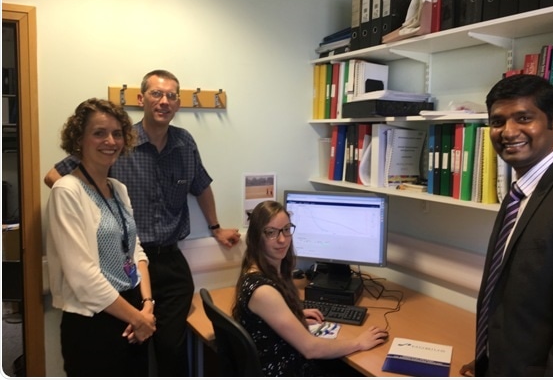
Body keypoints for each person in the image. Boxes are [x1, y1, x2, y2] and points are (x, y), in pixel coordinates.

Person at [44, 70, 241, 376]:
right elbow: (54, 176)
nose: (164, 101)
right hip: (121, 271)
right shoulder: (116, 145)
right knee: (125, 348)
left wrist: (216, 228)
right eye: (156, 94)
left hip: (164, 263)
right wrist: (84, 201)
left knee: (170, 349)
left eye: (171, 96)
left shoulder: (181, 144)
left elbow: (200, 185)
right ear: (141, 99)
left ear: (178, 103)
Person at [460, 74, 553, 376]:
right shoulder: (521, 191)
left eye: (524, 118)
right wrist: (487, 359)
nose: (509, 132)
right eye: (498, 122)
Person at [46, 98, 156, 376]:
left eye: (117, 133)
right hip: (93, 323)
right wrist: (138, 319)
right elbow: (82, 277)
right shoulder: (67, 191)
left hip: (132, 311)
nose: (110, 141)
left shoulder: (118, 189)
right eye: (99, 133)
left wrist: (147, 305)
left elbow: (135, 250)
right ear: (78, 140)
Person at [232, 200, 388, 376]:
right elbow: (310, 348)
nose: (282, 239)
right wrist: (358, 342)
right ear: (256, 237)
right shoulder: (264, 292)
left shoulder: (257, 270)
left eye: (286, 229)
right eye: (271, 232)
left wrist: (292, 315)